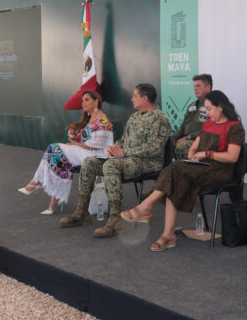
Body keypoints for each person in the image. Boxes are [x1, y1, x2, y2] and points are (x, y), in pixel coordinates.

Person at [120, 90, 245, 251]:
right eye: (205, 109)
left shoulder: (235, 127)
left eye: (209, 109)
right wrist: (193, 157)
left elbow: (232, 157)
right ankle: (167, 234)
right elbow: (193, 148)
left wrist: (207, 154)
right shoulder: (208, 124)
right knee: (176, 175)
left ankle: (147, 209)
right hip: (201, 167)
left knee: (175, 169)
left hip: (220, 170)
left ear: (220, 107)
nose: (207, 113)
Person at [58, 83, 172, 238]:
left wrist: (124, 152)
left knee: (112, 165)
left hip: (147, 163)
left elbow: (155, 148)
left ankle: (115, 218)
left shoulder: (160, 119)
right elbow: (123, 140)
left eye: (135, 96)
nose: (131, 99)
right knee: (90, 162)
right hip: (126, 159)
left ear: (145, 98)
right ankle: (81, 212)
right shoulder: (134, 116)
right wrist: (113, 148)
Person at [18, 91, 113, 214]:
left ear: (96, 101)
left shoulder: (103, 120)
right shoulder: (90, 118)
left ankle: (38, 184)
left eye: (87, 100)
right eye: (82, 100)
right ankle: (48, 196)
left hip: (96, 155)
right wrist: (73, 136)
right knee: (56, 157)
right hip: (84, 151)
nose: (83, 103)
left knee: (53, 150)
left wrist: (74, 142)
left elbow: (96, 145)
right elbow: (86, 140)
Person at [171, 73, 212, 160]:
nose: (195, 89)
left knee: (182, 146)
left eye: (198, 86)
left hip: (200, 142)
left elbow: (209, 130)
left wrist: (188, 137)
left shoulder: (213, 105)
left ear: (208, 87)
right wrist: (173, 139)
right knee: (167, 144)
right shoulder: (192, 106)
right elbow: (182, 127)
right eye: (194, 86)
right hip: (186, 140)